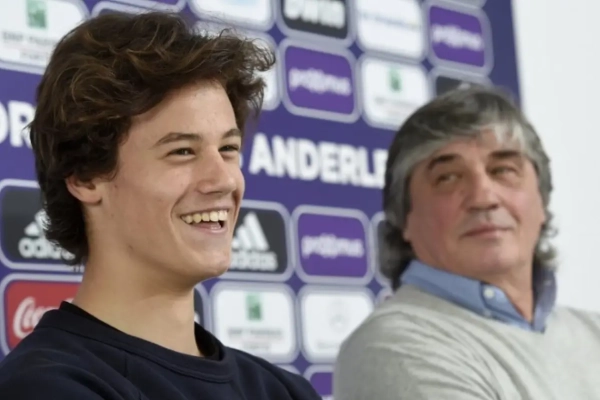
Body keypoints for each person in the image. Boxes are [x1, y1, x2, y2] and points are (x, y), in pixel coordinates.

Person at [0, 11, 320, 400]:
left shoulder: (284, 390)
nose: (223, 180)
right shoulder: (45, 387)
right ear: (85, 176)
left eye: (228, 149)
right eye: (182, 151)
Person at [333, 86, 600, 400]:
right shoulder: (393, 346)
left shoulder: (592, 329)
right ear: (404, 217)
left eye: (503, 170)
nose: (484, 197)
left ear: (541, 201)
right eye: (448, 177)